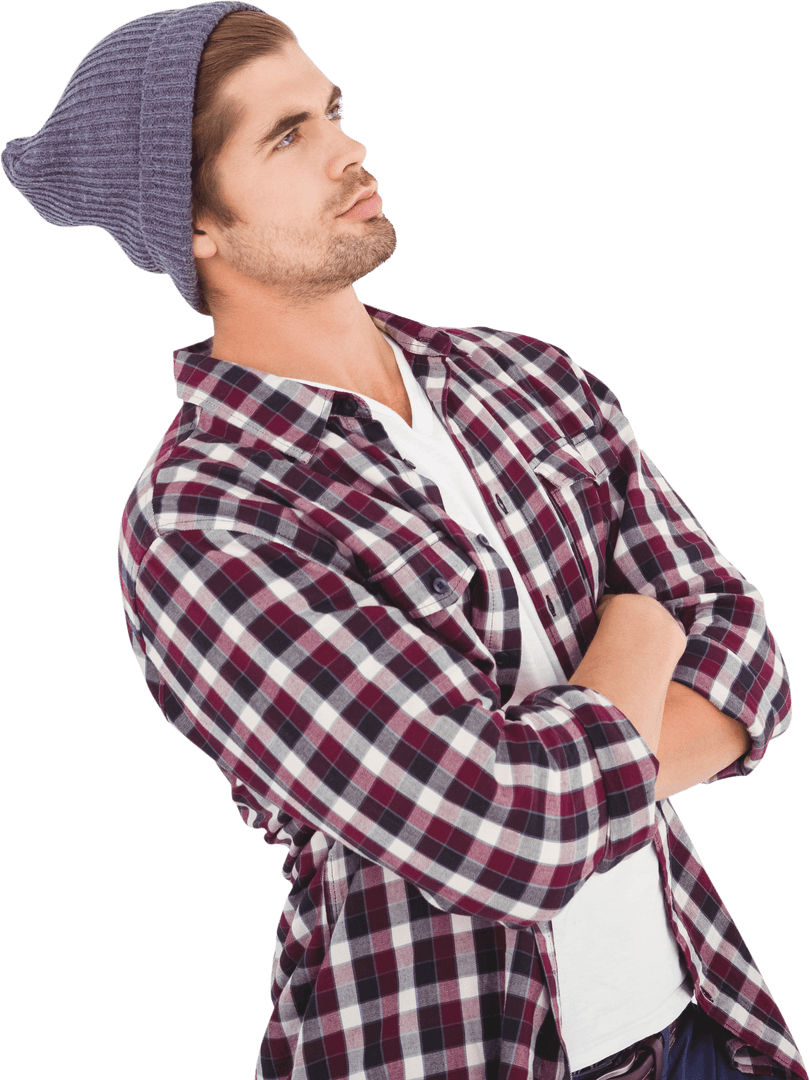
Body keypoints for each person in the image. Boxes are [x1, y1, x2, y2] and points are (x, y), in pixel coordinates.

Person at [1, 4, 805, 1080]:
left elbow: (745, 651)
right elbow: (504, 834)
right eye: (287, 136)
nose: (350, 147)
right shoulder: (205, 521)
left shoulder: (527, 379)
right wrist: (638, 631)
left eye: (333, 110)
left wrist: (563, 756)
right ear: (194, 221)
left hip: (700, 1022)